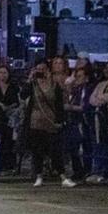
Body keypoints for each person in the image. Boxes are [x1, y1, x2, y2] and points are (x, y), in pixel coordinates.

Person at [24, 59, 72, 187]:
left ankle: (63, 176)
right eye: (38, 69)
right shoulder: (33, 84)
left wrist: (60, 121)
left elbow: (59, 104)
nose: (41, 72)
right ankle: (39, 176)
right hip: (35, 122)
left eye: (43, 69)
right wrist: (29, 80)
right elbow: (23, 95)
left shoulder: (54, 84)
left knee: (55, 150)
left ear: (48, 70)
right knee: (37, 150)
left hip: (51, 121)